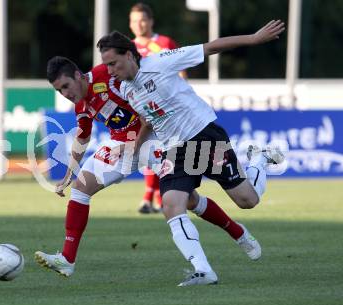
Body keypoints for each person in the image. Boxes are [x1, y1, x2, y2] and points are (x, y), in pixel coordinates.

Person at [34, 56, 262, 284]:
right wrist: (69, 173)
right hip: (122, 145)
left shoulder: (108, 76)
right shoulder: (82, 104)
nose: (65, 93)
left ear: (78, 75)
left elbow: (147, 110)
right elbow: (83, 135)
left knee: (188, 200)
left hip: (157, 139)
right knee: (81, 188)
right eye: (59, 90)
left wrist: (133, 145)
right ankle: (67, 259)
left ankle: (237, 233)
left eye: (66, 86)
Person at [98, 19, 285, 286]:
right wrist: (134, 146)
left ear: (128, 54)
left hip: (204, 134)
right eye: (106, 65)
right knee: (172, 205)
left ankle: (259, 160)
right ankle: (204, 271)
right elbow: (148, 120)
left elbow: (209, 47)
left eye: (112, 63)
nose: (109, 70)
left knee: (247, 201)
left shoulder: (160, 62)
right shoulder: (127, 89)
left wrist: (253, 39)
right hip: (175, 149)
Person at [129, 2, 184, 213]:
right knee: (151, 150)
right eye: (134, 21)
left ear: (150, 21)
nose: (138, 24)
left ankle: (153, 197)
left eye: (142, 19)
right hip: (141, 106)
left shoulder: (164, 42)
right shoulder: (128, 48)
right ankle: (154, 197)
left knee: (164, 149)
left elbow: (180, 72)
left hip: (166, 106)